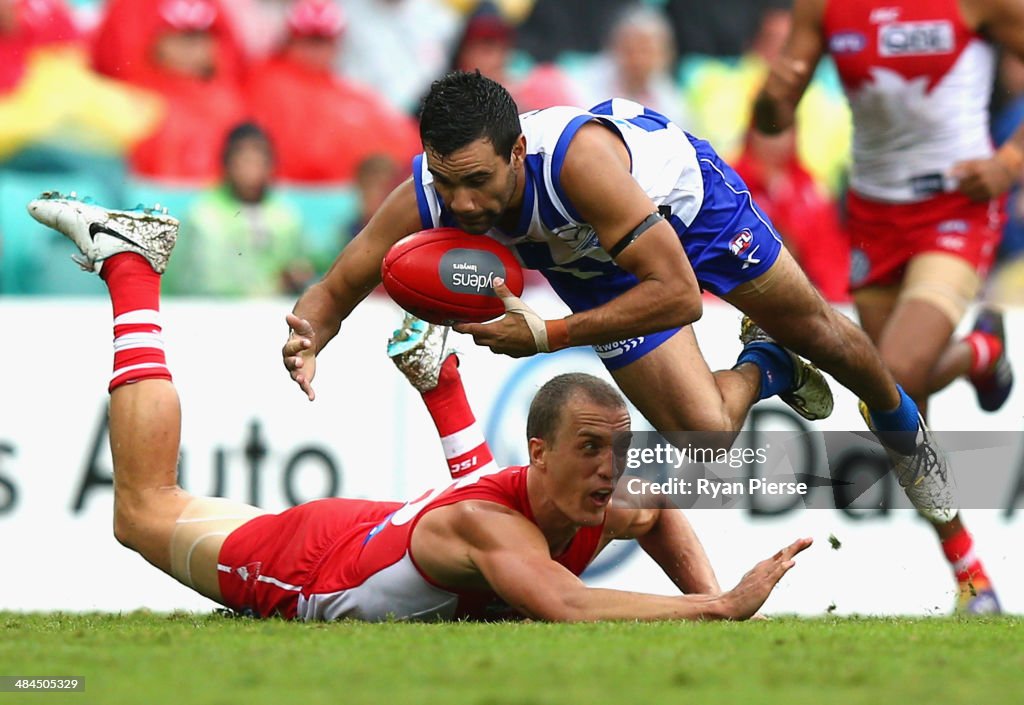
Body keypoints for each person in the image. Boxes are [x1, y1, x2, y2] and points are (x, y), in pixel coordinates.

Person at [282, 71, 961, 607]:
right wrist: (310, 334)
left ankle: (901, 420)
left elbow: (678, 294)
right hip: (598, 267)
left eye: (478, 182)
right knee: (707, 433)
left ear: (517, 152)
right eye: (447, 182)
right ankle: (768, 364)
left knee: (823, 332)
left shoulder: (577, 164)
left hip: (687, 212)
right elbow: (347, 275)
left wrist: (547, 333)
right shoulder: (436, 186)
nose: (460, 204)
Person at [24, 191, 811, 622]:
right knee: (143, 508)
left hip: (383, 523)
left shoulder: (596, 492)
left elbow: (661, 507)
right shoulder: (497, 528)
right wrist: (716, 608)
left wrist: (705, 598)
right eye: (592, 451)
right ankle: (132, 268)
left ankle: (442, 384)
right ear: (538, 452)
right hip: (304, 564)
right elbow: (567, 602)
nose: (614, 470)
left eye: (617, 448)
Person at [753, 0, 1015, 613]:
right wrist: (773, 97)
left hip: (956, 209)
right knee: (899, 417)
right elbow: (772, 115)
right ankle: (973, 575)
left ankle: (980, 349)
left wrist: (1010, 162)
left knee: (889, 379)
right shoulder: (822, 7)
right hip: (872, 218)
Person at [163, 122, 310, 297]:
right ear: (227, 163)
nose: (250, 168)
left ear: (271, 164)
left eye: (258, 159)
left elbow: (304, 267)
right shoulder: (202, 215)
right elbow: (188, 278)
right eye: (243, 159)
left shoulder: (287, 216)